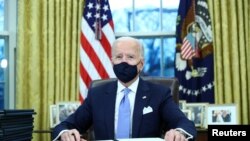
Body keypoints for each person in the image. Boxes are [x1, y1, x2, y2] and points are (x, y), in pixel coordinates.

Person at [52, 37, 197, 141]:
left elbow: (185, 124)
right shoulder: (97, 94)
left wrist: (178, 133)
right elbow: (65, 126)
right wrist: (66, 134)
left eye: (130, 57)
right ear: (112, 62)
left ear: (141, 64)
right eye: (119, 57)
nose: (124, 62)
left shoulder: (159, 94)